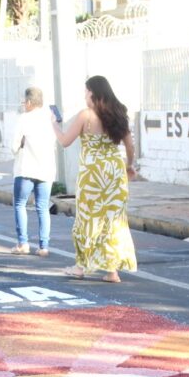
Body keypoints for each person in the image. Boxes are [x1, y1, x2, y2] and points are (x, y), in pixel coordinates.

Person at [51, 75, 137, 283]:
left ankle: (81, 267)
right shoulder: (118, 114)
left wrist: (54, 124)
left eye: (85, 91)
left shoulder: (86, 116)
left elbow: (64, 141)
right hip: (115, 172)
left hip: (92, 174)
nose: (84, 95)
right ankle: (112, 271)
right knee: (113, 222)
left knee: (87, 219)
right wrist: (129, 166)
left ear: (93, 92)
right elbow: (129, 145)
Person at [9, 86, 57, 256]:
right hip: (46, 170)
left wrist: (21, 144)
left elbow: (14, 147)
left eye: (24, 101)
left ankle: (23, 243)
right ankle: (44, 246)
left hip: (26, 168)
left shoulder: (24, 118)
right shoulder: (49, 119)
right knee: (43, 207)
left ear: (29, 102)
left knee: (20, 204)